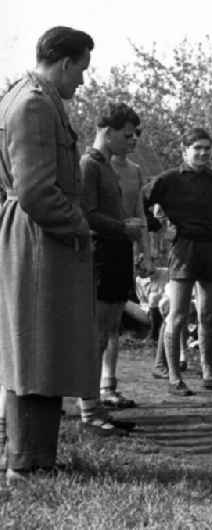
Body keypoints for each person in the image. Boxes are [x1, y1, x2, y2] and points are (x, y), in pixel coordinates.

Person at [0, 26, 96, 483]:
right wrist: (79, 227)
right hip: (41, 236)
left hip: (39, 235)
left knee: (44, 347)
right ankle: (26, 464)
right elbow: (37, 191)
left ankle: (38, 459)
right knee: (35, 349)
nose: (82, 82)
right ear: (64, 63)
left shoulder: (28, 97)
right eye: (81, 70)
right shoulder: (35, 105)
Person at [143, 128, 212, 395]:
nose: (203, 153)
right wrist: (158, 227)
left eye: (207, 148)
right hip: (183, 249)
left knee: (208, 314)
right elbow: (141, 201)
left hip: (210, 249)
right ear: (184, 150)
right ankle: (174, 378)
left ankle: (209, 373)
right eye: (197, 148)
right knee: (178, 314)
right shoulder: (169, 180)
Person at [77, 102, 144, 435]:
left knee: (108, 331)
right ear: (108, 131)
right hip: (102, 254)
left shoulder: (106, 165)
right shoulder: (89, 164)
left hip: (118, 253)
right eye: (127, 135)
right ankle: (89, 411)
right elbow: (86, 214)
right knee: (97, 335)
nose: (130, 141)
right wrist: (122, 227)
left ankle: (96, 406)